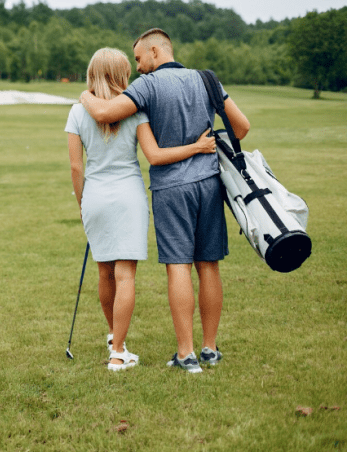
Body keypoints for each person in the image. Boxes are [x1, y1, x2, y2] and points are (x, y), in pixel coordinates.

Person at [79, 29, 250, 373]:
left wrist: (85, 95)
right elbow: (242, 128)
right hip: (209, 184)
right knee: (209, 265)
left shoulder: (148, 85)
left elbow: (105, 112)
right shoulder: (208, 80)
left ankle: (185, 354)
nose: (139, 68)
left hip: (172, 188)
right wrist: (205, 143)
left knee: (178, 266)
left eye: (140, 59)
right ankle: (210, 348)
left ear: (155, 51)